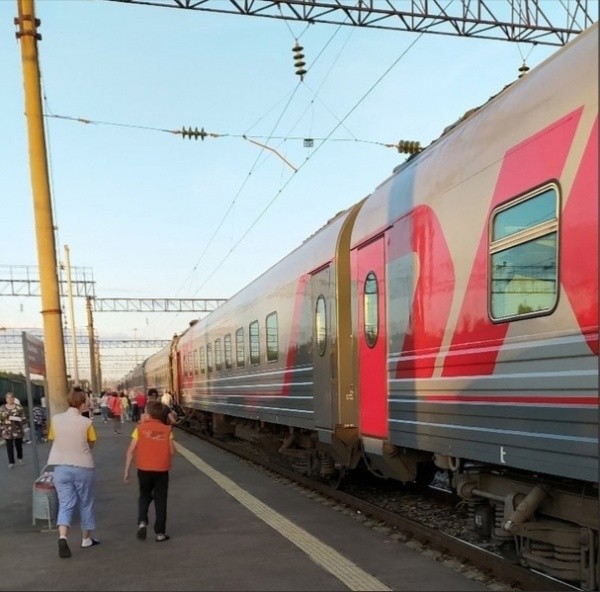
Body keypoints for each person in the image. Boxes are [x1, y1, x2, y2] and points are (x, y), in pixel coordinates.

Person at [46, 388, 100, 558]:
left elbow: (53, 439)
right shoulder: (86, 423)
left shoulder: (56, 420)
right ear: (82, 404)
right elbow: (91, 443)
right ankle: (86, 539)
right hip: (83, 467)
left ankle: (63, 536)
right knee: (86, 503)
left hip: (61, 468)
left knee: (65, 504)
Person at [124, 401, 176, 542]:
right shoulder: (167, 430)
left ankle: (142, 521)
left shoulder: (139, 429)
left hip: (144, 469)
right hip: (161, 470)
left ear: (149, 415)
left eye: (145, 412)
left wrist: (126, 471)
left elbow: (130, 451)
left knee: (144, 495)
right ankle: (160, 533)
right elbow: (172, 451)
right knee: (160, 499)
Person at [0, 392, 27, 468]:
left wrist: (19, 419)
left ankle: (20, 457)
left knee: (18, 445)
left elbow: (24, 418)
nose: (10, 399)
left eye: (11, 397)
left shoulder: (19, 407)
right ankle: (11, 462)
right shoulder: (2, 408)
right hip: (7, 431)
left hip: (17, 430)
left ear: (13, 398)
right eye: (8, 398)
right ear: (6, 399)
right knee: (9, 446)